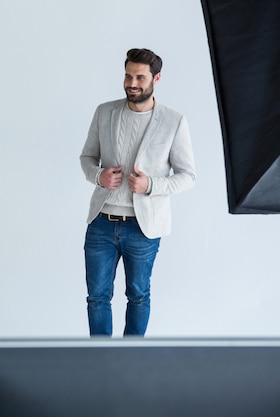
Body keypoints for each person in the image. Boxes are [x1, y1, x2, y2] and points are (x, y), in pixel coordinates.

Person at [80, 48, 196, 336]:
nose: (132, 83)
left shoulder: (174, 121)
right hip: (101, 224)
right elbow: (87, 158)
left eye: (140, 77)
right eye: (128, 75)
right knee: (97, 298)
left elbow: (188, 176)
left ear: (156, 79)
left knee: (138, 296)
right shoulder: (104, 112)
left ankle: (131, 361)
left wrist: (151, 185)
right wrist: (98, 175)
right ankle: (101, 361)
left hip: (143, 229)